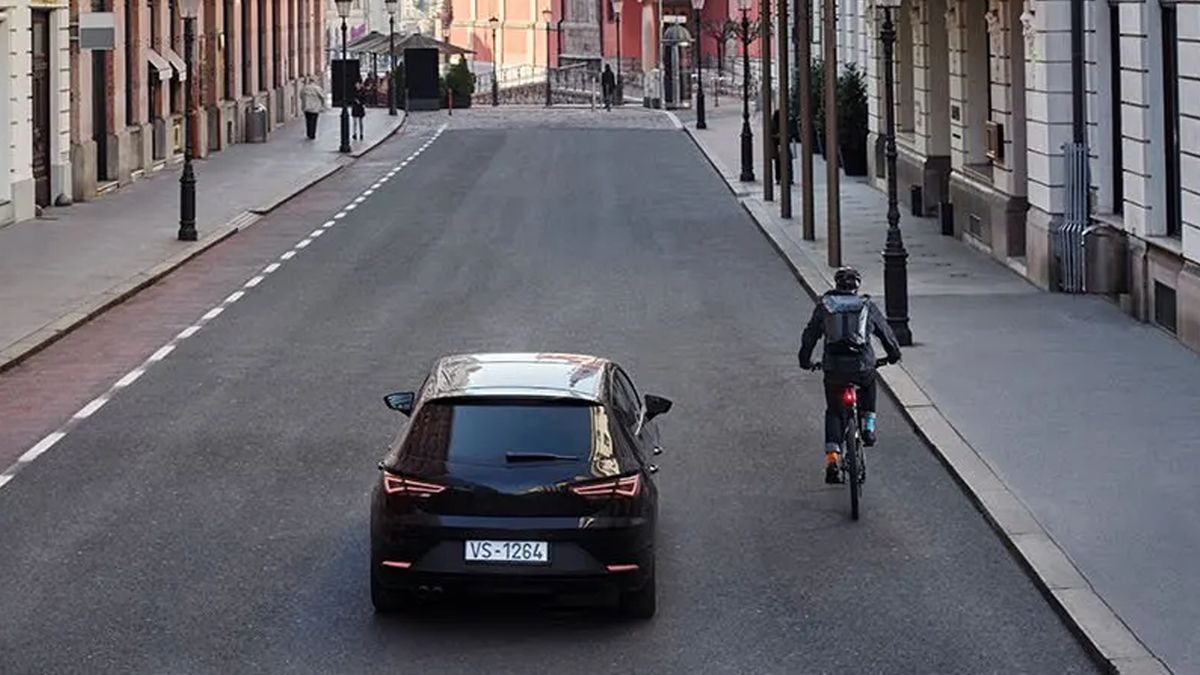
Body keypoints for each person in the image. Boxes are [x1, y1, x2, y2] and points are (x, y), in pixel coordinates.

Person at [797, 267, 902, 484]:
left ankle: (832, 458)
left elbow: (810, 336)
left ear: (836, 285)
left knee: (834, 411)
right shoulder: (866, 306)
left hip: (834, 369)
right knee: (869, 383)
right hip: (862, 367)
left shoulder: (825, 306)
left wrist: (805, 361)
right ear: (857, 286)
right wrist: (893, 355)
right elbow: (885, 333)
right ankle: (868, 426)